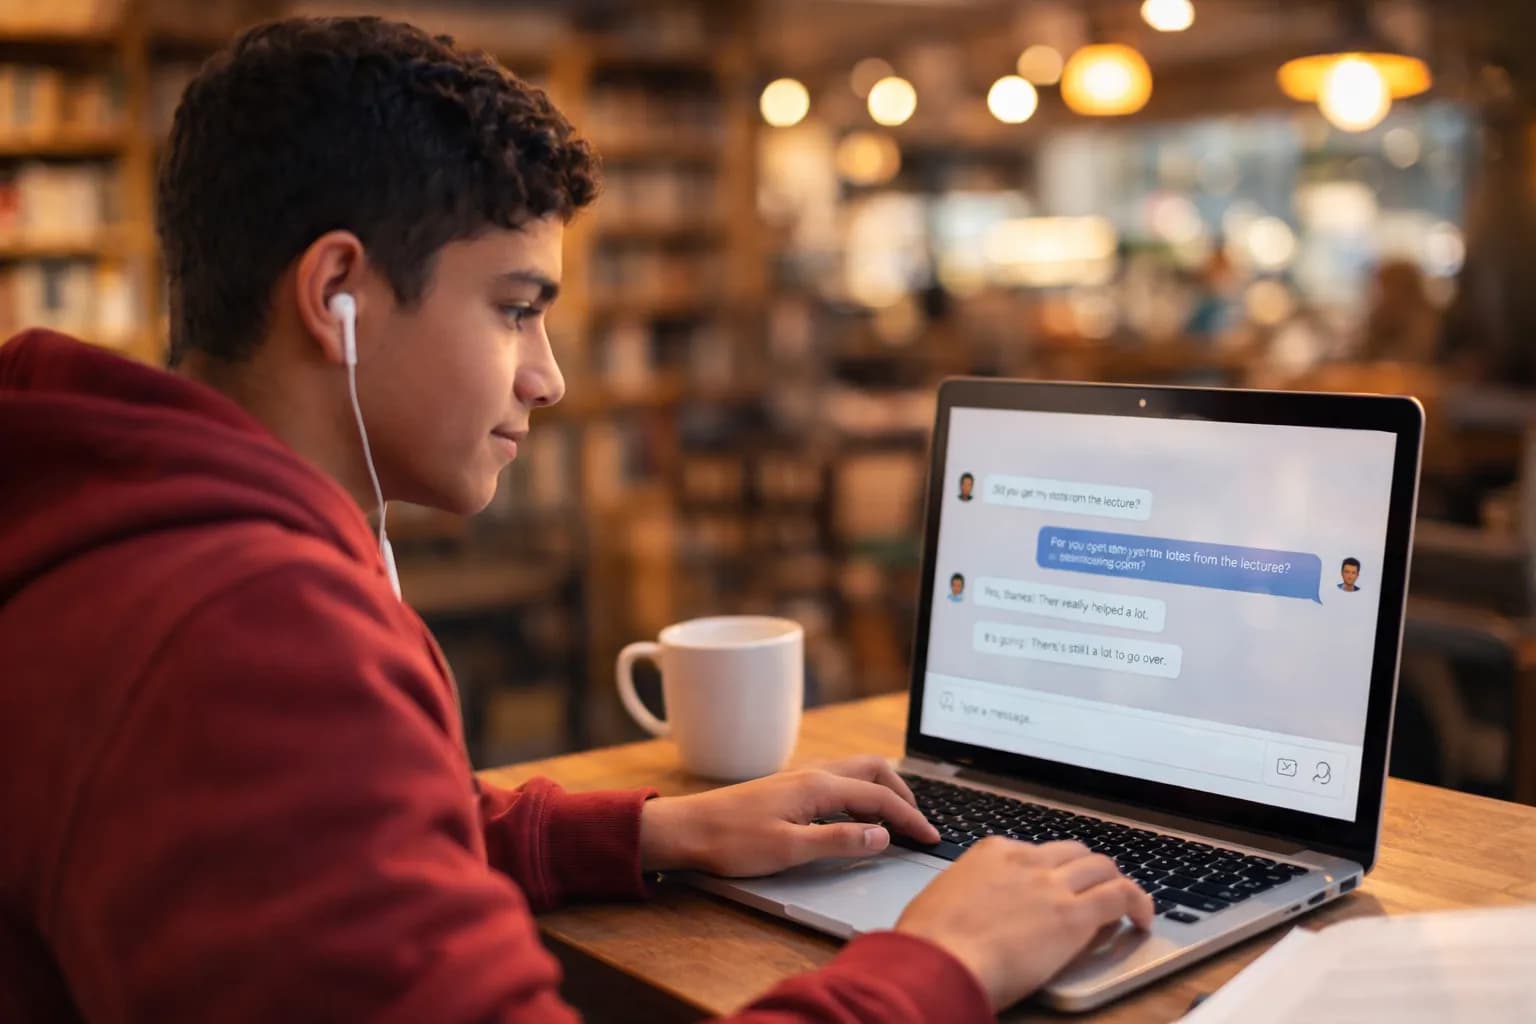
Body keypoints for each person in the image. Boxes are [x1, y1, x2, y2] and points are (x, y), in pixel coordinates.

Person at [0, 18, 1149, 1023]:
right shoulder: (253, 631)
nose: (546, 379)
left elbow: (314, 849)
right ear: (336, 295)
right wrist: (940, 961)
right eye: (514, 310)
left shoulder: (115, 530)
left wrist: (654, 833)